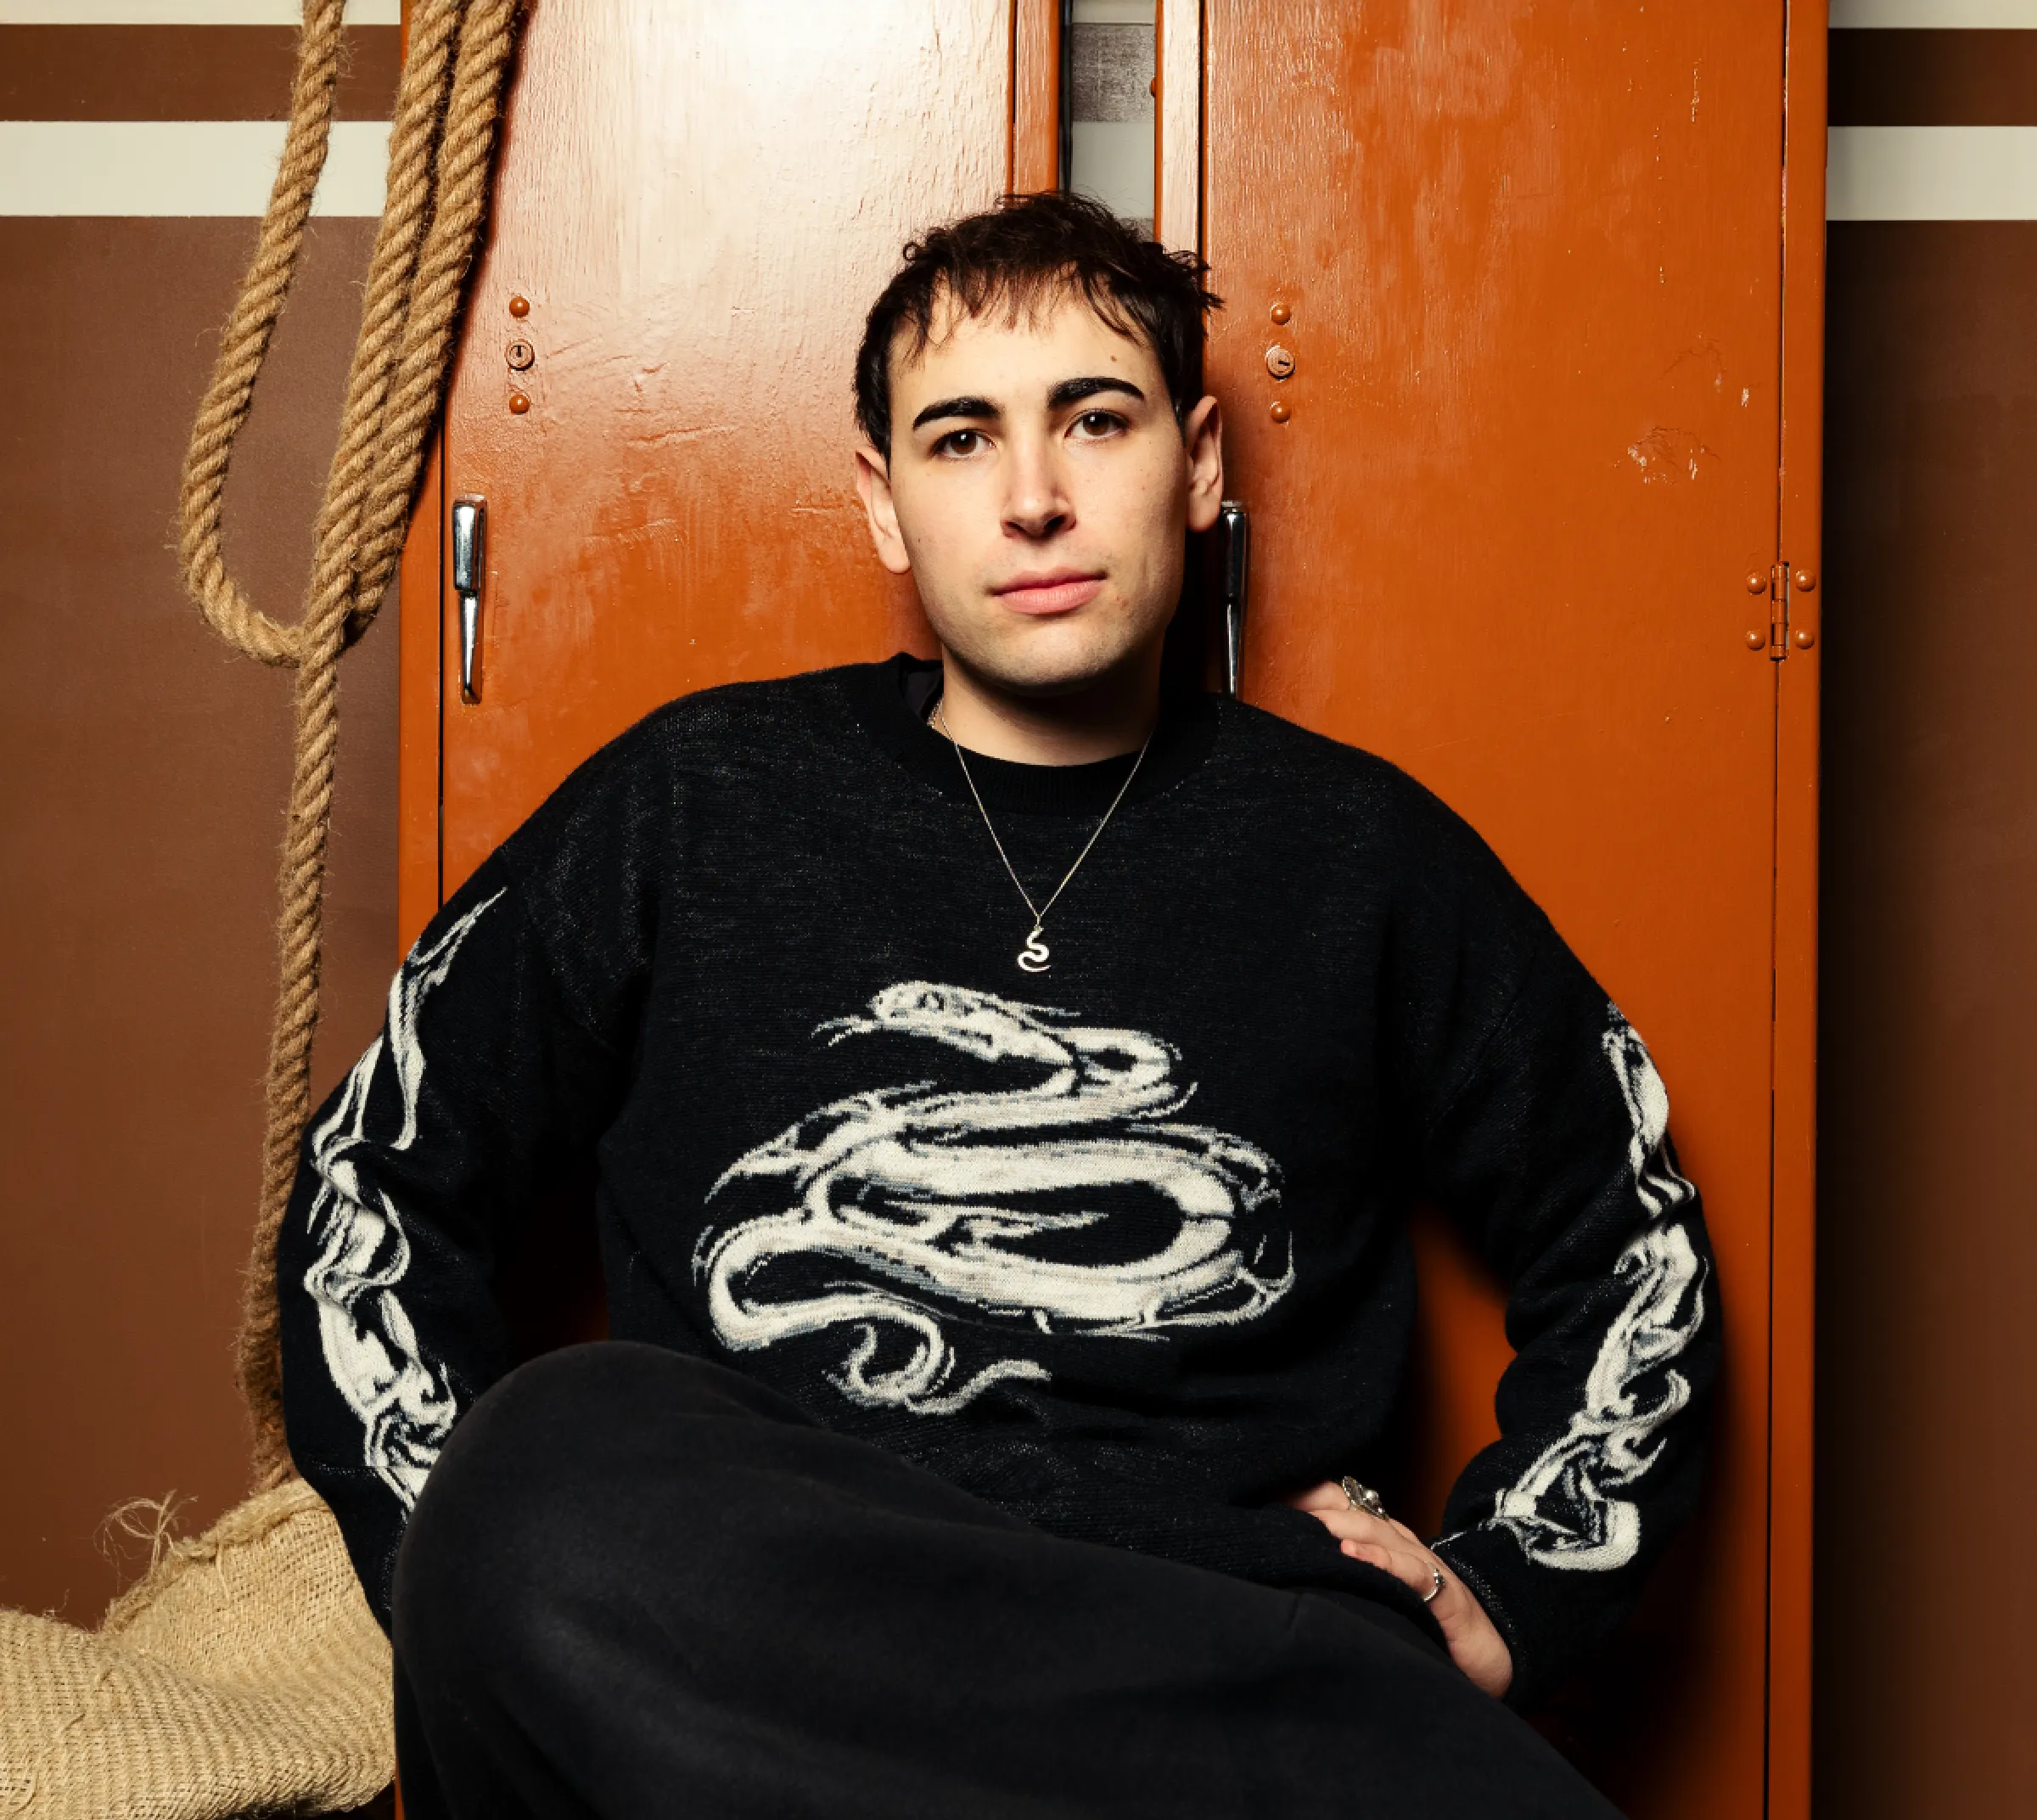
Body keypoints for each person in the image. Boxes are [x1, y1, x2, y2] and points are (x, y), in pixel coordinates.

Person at [278, 192, 1717, 1818]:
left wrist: (1514, 1590)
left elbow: (1630, 1234)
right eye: (960, 440)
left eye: (1094, 421)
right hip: (767, 1644)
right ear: (885, 506)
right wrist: (463, 1572)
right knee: (545, 1459)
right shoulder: (698, 799)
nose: (1033, 499)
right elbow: (370, 1186)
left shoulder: (1360, 852)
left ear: (1202, 462)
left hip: (1210, 1651)